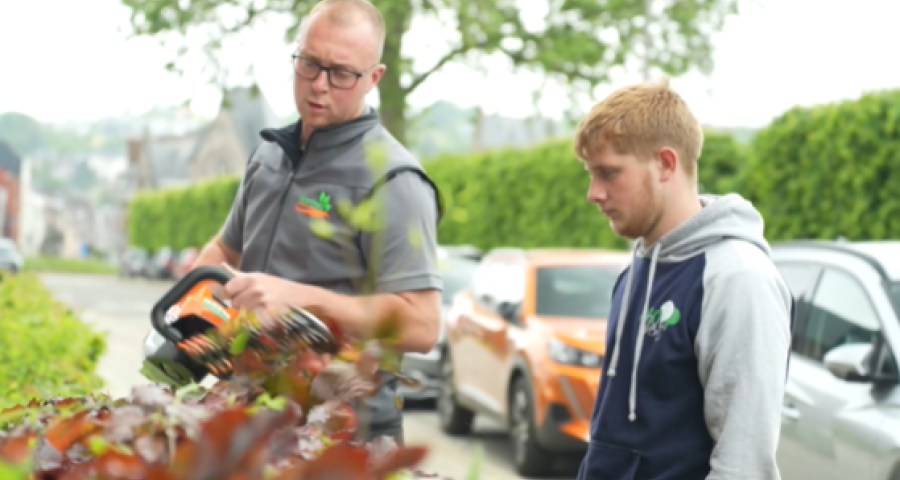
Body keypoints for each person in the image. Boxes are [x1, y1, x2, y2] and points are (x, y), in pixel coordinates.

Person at [190, 0, 443, 444]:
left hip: (345, 432)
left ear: (374, 78)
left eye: (341, 73)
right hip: (252, 414)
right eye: (309, 64)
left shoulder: (394, 180)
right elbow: (223, 250)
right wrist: (202, 301)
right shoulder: (269, 156)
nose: (319, 85)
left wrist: (297, 299)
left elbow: (421, 325)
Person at [573, 77, 794, 480]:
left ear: (666, 164)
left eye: (608, 173)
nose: (593, 192)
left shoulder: (737, 279)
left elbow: (743, 463)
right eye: (591, 174)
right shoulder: (634, 270)